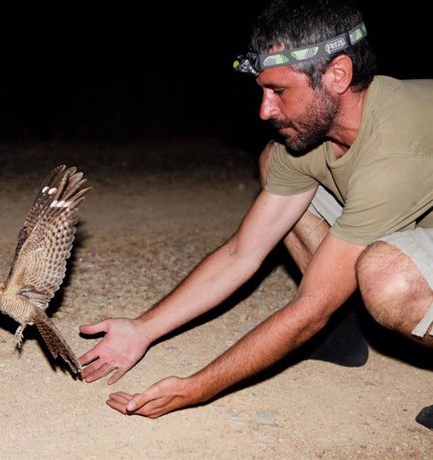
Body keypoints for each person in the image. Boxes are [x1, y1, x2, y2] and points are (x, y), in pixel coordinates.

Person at [77, 0, 433, 428]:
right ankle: (345, 328)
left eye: (279, 91)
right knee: (273, 162)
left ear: (337, 75)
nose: (264, 110)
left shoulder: (394, 149)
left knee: (388, 277)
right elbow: (242, 254)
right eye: (262, 90)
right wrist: (144, 328)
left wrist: (199, 386)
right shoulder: (314, 136)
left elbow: (309, 308)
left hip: (403, 175)